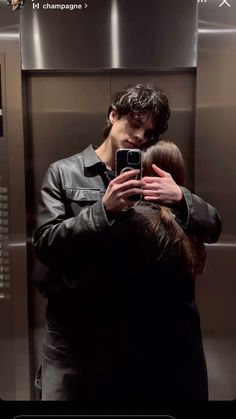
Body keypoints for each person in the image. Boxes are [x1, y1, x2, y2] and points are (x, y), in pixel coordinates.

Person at [33, 84, 221, 401]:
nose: (139, 136)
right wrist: (102, 210)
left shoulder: (149, 171)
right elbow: (46, 243)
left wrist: (179, 198)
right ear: (113, 115)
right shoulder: (64, 173)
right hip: (71, 329)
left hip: (125, 334)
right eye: (135, 124)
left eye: (148, 133)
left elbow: (213, 227)